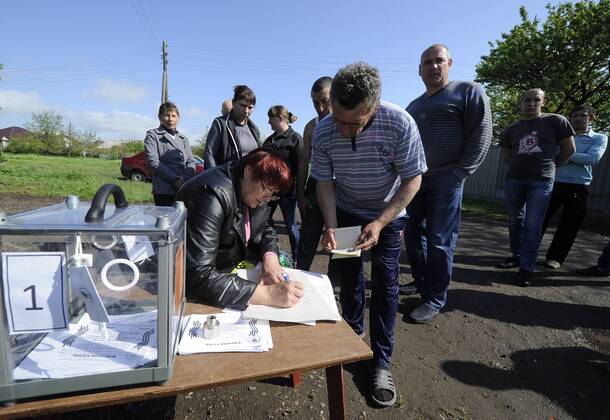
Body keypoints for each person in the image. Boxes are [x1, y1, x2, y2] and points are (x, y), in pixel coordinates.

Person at [311, 62, 426, 407]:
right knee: (349, 275)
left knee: (386, 282)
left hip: (387, 215)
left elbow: (412, 180)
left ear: (373, 108)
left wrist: (380, 221)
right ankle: (353, 333)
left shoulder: (400, 123)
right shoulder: (324, 130)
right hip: (345, 211)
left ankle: (382, 361)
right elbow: (324, 182)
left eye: (354, 123)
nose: (342, 130)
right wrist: (331, 224)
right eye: (338, 119)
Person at [402, 44, 492, 323]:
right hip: (417, 179)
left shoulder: (469, 92)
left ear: (450, 63)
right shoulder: (414, 106)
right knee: (413, 234)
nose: (433, 66)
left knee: (441, 240)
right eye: (427, 62)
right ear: (419, 70)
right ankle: (421, 281)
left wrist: (461, 172)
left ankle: (434, 298)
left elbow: (482, 132)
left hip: (447, 178)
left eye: (439, 60)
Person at [176, 149, 304, 309]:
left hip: (231, 266)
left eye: (274, 194)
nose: (268, 199)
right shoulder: (211, 194)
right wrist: (267, 294)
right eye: (267, 191)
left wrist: (270, 256)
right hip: (202, 282)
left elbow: (265, 225)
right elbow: (198, 275)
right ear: (249, 171)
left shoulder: (251, 190)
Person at [497, 88, 575, 286]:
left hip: (541, 181)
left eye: (536, 100)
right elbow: (506, 156)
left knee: (533, 223)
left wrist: (553, 165)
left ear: (543, 102)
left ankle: (526, 267)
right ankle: (516, 255)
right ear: (521, 102)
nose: (531, 103)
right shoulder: (511, 129)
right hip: (514, 180)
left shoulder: (556, 121)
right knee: (514, 220)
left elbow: (569, 149)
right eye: (527, 100)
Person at [541, 105, 607, 269]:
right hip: (553, 183)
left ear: (590, 118)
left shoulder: (599, 138)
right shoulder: (561, 135)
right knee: (539, 220)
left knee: (569, 225)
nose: (577, 119)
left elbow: (593, 158)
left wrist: (566, 155)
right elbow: (550, 153)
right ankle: (526, 252)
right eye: (574, 116)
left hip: (578, 187)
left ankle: (555, 258)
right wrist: (573, 155)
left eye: (582, 116)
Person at [295, 76, 333, 271]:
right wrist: (300, 193)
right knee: (307, 241)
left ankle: (335, 289)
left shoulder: (348, 121)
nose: (320, 108)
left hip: (342, 189)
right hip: (315, 188)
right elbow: (304, 163)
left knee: (340, 246)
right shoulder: (311, 126)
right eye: (315, 103)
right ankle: (300, 276)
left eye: (325, 102)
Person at [262, 106, 303, 264]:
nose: (268, 122)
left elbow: (301, 168)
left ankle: (297, 258)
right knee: (263, 221)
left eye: (270, 118)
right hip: (270, 191)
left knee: (291, 227)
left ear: (279, 117)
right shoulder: (270, 140)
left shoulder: (296, 139)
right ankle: (271, 252)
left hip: (288, 193)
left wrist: (299, 191)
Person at [144, 101, 197, 206]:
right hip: (163, 190)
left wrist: (185, 178)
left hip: (183, 188)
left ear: (178, 117)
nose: (171, 119)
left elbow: (191, 161)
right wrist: (174, 179)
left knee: (182, 220)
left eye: (174, 115)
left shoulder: (183, 139)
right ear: (160, 117)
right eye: (167, 115)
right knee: (165, 221)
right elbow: (153, 162)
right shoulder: (152, 135)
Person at [204, 85, 261, 169]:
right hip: (226, 179)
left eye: (250, 107)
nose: (246, 111)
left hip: (248, 179)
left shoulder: (254, 129)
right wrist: (216, 178)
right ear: (234, 103)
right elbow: (209, 153)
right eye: (242, 105)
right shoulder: (220, 124)